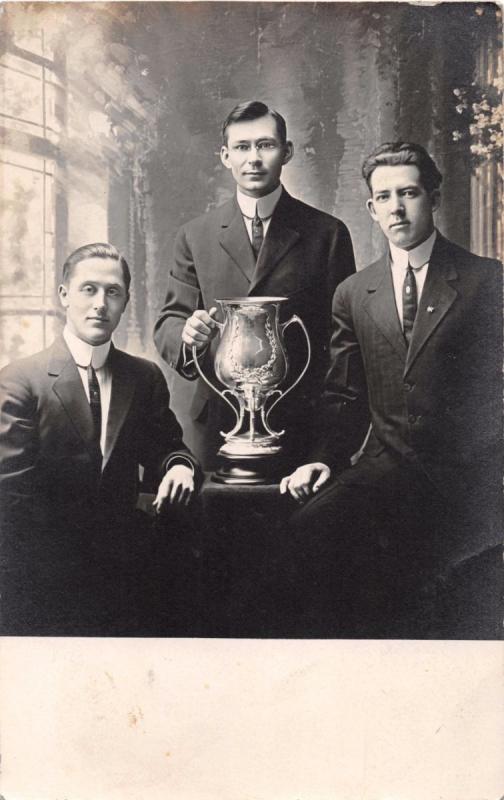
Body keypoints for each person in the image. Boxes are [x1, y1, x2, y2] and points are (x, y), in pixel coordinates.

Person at [278, 141, 503, 638]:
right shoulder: (355, 293)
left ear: (434, 198)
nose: (397, 208)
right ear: (371, 209)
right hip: (385, 469)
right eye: (384, 197)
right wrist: (324, 458)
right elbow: (345, 397)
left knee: (451, 594)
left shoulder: (487, 281)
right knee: (306, 538)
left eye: (409, 193)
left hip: (467, 478)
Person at [0, 243, 201, 635]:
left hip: (126, 572)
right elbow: (12, 496)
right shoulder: (20, 379)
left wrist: (179, 466)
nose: (100, 304)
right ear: (63, 296)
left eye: (113, 292)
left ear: (125, 301)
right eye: (87, 290)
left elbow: (168, 446)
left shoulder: (143, 377)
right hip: (43, 575)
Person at [154, 100, 356, 469]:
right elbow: (168, 322)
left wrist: (331, 438)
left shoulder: (328, 234)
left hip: (300, 426)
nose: (254, 158)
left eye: (266, 145)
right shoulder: (194, 236)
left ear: (287, 151)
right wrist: (186, 334)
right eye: (242, 147)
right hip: (216, 424)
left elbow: (344, 342)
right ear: (225, 156)